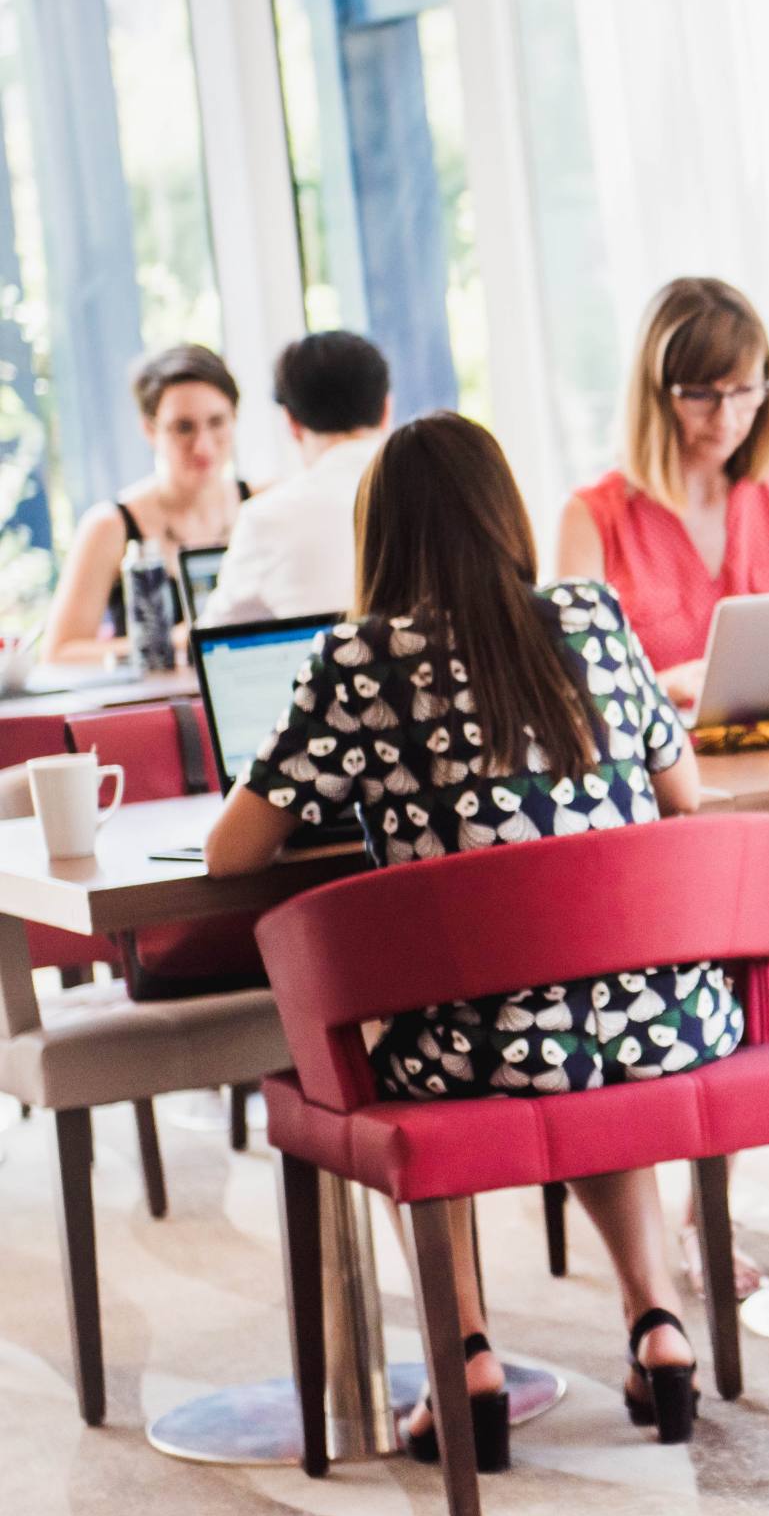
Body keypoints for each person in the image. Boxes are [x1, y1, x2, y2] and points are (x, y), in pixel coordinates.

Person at [206, 412, 734, 1462]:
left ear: (384, 537)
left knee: (438, 1030)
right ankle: (658, 1324)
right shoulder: (591, 615)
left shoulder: (355, 660)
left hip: (465, 1054)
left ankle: (468, 1359)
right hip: (652, 1023)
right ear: (506, 516)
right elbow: (688, 793)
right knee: (571, 1004)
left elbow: (231, 851)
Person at [554, 275, 769, 999]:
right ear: (657, 393)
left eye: (747, 390)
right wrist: (662, 685)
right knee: (765, 844)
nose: (729, 415)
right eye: (704, 394)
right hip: (662, 814)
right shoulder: (592, 518)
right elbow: (566, 700)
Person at [40, 344, 249, 663]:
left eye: (217, 422)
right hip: (158, 708)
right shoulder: (110, 525)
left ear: (235, 418)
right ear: (149, 429)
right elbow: (59, 652)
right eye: (183, 427)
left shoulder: (263, 505)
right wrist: (173, 642)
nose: (203, 444)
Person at [199, 330, 393, 626]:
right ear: (386, 410)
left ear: (291, 420)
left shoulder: (267, 518)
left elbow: (212, 641)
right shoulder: (454, 489)